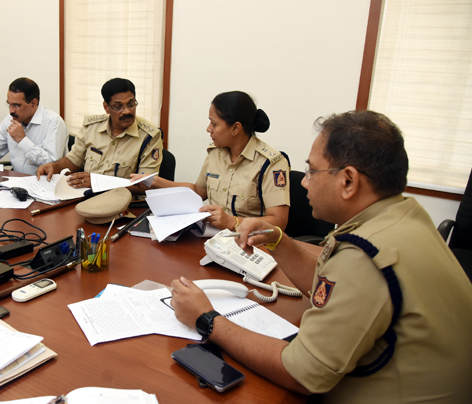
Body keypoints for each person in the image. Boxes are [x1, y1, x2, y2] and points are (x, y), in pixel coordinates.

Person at [170, 110, 472, 402]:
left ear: (348, 181)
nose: (304, 181)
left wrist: (207, 319)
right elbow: (329, 287)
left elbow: (302, 373)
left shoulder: (365, 255)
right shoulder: (403, 215)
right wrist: (278, 241)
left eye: (312, 171)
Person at [132, 91, 290, 230]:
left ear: (236, 128)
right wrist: (154, 181)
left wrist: (232, 221)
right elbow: (197, 191)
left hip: (250, 242)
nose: (208, 129)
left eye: (214, 124)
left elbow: (279, 221)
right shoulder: (216, 153)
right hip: (212, 237)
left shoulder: (271, 163)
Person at [36, 78, 162, 191]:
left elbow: (147, 185)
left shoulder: (149, 136)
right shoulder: (91, 127)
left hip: (125, 202)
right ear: (106, 107)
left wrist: (98, 183)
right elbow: (74, 160)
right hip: (85, 196)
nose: (127, 111)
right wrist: (54, 167)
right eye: (118, 106)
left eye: (131, 104)